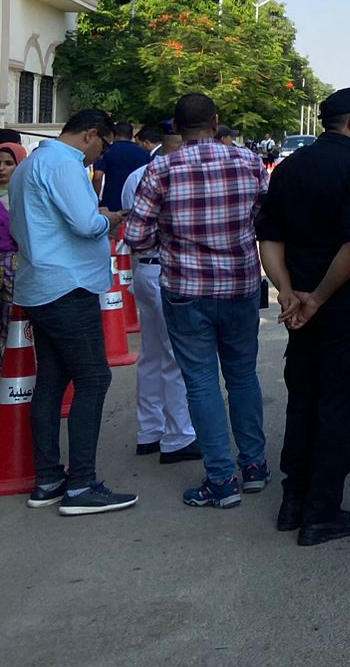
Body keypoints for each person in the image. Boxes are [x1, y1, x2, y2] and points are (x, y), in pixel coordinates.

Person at [122, 93, 271, 507]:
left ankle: (221, 481)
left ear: (175, 126)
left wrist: (170, 240)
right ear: (215, 122)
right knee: (243, 376)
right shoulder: (248, 162)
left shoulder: (161, 169)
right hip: (240, 286)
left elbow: (136, 236)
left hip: (186, 291)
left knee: (201, 382)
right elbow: (268, 218)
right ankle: (254, 466)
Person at [257, 86, 350, 546]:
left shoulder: (290, 168)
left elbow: (269, 237)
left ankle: (293, 501)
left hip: (302, 311)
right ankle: (322, 513)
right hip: (346, 310)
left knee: (304, 400)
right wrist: (318, 297)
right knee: (341, 409)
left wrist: (287, 292)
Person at [9, 109, 137, 514]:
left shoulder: (30, 165)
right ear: (90, 135)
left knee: (51, 381)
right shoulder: (64, 164)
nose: (101, 155)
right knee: (94, 378)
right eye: (104, 146)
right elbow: (84, 223)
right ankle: (81, 485)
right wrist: (108, 219)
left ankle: (48, 478)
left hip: (40, 284)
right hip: (68, 285)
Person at [117, 130, 198, 463]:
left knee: (152, 355)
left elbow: (130, 222)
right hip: (167, 269)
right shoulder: (180, 173)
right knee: (177, 356)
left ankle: (150, 430)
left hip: (144, 269)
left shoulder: (138, 176)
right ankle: (179, 435)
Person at [0, 141, 27, 394]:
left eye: (8, 163)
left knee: (10, 332)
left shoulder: (26, 197)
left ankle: (3, 392)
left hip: (17, 273)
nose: (1, 169)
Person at [94, 120, 150, 213]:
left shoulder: (106, 150)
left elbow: (97, 177)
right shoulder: (144, 154)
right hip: (135, 203)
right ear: (131, 135)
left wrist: (94, 199)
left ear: (114, 134)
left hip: (110, 204)